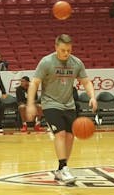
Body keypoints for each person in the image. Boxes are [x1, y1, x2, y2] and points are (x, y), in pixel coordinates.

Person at [26, 34, 97, 184]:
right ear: (56, 47)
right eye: (63, 50)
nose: (66, 53)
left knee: (71, 137)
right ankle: (64, 167)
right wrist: (31, 104)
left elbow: (86, 82)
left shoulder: (76, 63)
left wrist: (92, 96)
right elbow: (34, 83)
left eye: (69, 50)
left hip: (69, 104)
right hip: (50, 103)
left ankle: (61, 169)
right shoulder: (46, 62)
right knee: (60, 134)